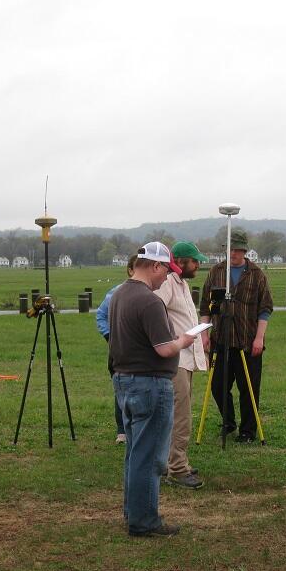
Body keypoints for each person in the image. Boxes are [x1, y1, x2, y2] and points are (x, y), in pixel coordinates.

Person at [109, 242, 196, 537]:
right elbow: (163, 349)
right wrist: (183, 341)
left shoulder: (119, 294)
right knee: (150, 457)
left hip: (125, 381)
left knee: (135, 453)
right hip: (150, 385)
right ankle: (144, 521)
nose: (165, 279)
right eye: (165, 271)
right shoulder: (149, 302)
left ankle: (132, 512)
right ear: (155, 266)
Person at [199, 228, 273, 443]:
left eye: (238, 251)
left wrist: (259, 338)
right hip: (220, 339)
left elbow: (265, 308)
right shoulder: (216, 272)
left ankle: (247, 431)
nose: (233, 255)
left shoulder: (257, 274)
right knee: (217, 385)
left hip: (248, 341)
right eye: (230, 250)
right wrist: (204, 333)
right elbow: (206, 305)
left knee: (249, 389)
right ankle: (228, 421)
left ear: (244, 251)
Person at [155, 242, 209, 489]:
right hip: (175, 358)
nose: (198, 264)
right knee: (180, 415)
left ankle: (173, 461)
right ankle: (177, 468)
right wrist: (171, 340)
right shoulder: (167, 283)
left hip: (184, 358)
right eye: (194, 260)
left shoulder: (182, 284)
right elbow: (153, 311)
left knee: (178, 412)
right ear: (180, 260)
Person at [96, 254, 137, 444]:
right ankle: (122, 430)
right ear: (130, 270)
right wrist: (110, 337)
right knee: (121, 389)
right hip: (118, 350)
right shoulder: (115, 293)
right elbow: (101, 315)